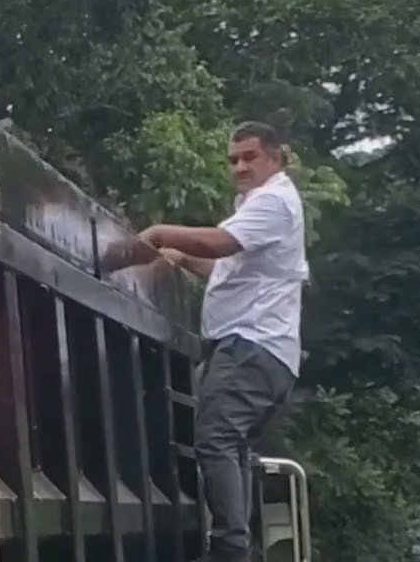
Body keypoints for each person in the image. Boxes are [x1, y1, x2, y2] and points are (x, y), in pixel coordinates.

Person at [103, 121, 308, 562]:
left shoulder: (274, 201)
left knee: (216, 439)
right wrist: (179, 257)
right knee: (233, 446)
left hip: (251, 346)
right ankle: (237, 546)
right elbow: (226, 269)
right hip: (268, 353)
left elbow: (220, 243)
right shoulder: (260, 206)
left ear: (276, 157)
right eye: (234, 159)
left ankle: (230, 548)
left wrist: (158, 235)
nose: (239, 166)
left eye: (250, 156)